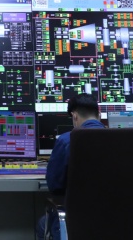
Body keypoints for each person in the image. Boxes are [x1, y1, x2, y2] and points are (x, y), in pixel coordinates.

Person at [36, 93, 106, 239]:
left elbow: (54, 186)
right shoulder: (122, 140)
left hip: (75, 223)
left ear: (74, 116)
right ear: (99, 114)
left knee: (43, 224)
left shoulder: (66, 141)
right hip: (118, 220)